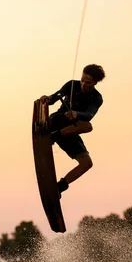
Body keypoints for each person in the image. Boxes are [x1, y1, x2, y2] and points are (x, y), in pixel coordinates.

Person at [40, 64, 105, 197]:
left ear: (95, 83)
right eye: (82, 80)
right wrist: (47, 99)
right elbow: (55, 97)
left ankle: (60, 187)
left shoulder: (97, 98)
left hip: (70, 131)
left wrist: (76, 114)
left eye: (87, 83)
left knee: (87, 163)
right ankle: (51, 137)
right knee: (87, 126)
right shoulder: (71, 85)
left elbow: (89, 115)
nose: (83, 84)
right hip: (57, 122)